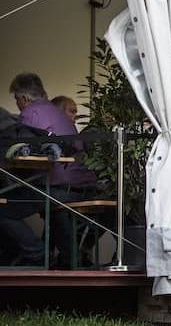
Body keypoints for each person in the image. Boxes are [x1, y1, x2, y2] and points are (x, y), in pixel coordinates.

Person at [1, 73, 97, 268]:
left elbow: (25, 151)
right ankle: (60, 259)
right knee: (48, 209)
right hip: (82, 185)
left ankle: (37, 255)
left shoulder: (31, 113)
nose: (18, 104)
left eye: (17, 99)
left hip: (58, 188)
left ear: (24, 98)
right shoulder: (58, 112)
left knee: (3, 210)